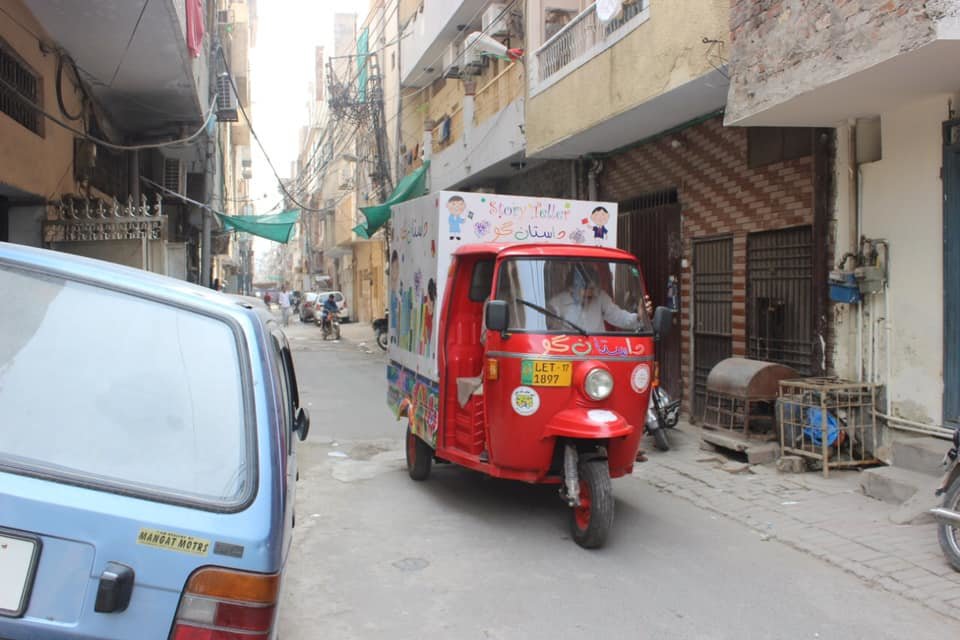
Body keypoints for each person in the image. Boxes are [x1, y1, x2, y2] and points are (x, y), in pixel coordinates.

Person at [547, 265, 644, 334]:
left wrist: (639, 317)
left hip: (598, 349)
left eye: (592, 289)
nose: (590, 294)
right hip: (568, 351)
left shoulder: (600, 297)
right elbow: (552, 334)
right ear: (571, 288)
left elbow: (618, 317)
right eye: (584, 289)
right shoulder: (556, 304)